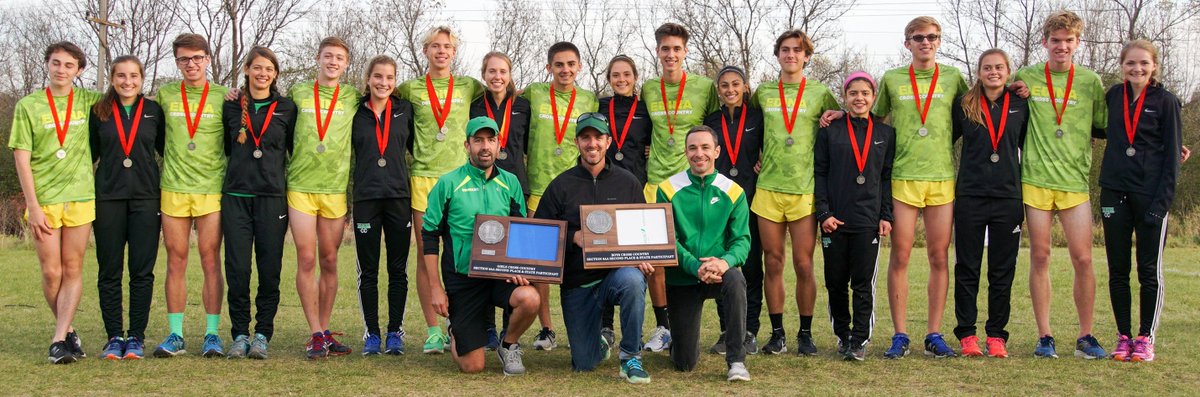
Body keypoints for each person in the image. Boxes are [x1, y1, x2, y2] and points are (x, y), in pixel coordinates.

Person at [868, 17, 968, 359]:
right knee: (901, 256)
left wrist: (1016, 90)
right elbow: (874, 118)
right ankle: (900, 335)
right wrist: (838, 117)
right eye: (918, 37)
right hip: (903, 178)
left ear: (939, 42)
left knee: (940, 257)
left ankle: (934, 333)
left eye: (932, 37)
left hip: (941, 178)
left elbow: (973, 113)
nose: (925, 42)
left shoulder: (954, 77)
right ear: (907, 42)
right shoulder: (892, 79)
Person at [1011, 10, 1108, 359]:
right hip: (1035, 179)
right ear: (1045, 42)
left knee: (1083, 258)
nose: (1062, 46)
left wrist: (1167, 145)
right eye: (1056, 40)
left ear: (1078, 43)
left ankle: (1085, 335)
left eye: (1069, 41)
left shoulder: (1090, 82)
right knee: (1040, 256)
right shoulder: (1026, 76)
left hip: (1074, 182)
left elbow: (1108, 127)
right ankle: (1045, 336)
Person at [535, 112, 654, 382]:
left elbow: (644, 230)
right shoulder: (561, 185)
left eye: (598, 137)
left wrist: (645, 255)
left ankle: (631, 357)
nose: (592, 144)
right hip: (578, 285)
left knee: (634, 280)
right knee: (584, 363)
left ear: (608, 141)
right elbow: (541, 235)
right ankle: (597, 344)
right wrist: (572, 237)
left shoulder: (628, 182)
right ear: (577, 142)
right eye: (586, 137)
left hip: (616, 276)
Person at [422, 116, 540, 375]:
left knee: (530, 299)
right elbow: (429, 236)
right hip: (463, 279)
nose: (485, 146)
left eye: (491, 140)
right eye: (478, 141)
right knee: (473, 366)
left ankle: (508, 345)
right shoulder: (448, 183)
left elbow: (520, 231)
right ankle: (457, 328)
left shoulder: (510, 182)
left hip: (501, 276)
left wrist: (520, 267)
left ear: (499, 145)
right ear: (467, 146)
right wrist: (435, 288)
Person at [11, 42, 102, 364]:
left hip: (80, 197)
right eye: (56, 63)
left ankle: (58, 338)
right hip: (45, 201)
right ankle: (69, 330)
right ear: (47, 65)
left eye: (68, 65)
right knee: (51, 273)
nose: (61, 70)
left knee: (73, 268)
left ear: (79, 70)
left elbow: (126, 94)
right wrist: (33, 206)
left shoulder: (90, 101)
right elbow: (21, 158)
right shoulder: (29, 106)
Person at [752, 30, 841, 356]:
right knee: (772, 262)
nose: (791, 55)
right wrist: (753, 156)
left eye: (797, 50)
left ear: (806, 56)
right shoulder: (762, 92)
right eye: (785, 50)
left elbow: (842, 120)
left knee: (804, 264)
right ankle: (777, 334)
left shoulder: (820, 93)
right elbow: (750, 129)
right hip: (769, 189)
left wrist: (842, 114)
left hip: (805, 189)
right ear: (777, 55)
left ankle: (805, 333)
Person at [397, 26, 485, 354]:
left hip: (461, 178)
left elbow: (501, 90)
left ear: (454, 52)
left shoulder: (468, 86)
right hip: (423, 178)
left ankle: (466, 321)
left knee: (466, 250)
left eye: (447, 46)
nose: (441, 51)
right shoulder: (409, 88)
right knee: (426, 256)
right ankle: (433, 330)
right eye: (435, 46)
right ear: (426, 51)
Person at [1101, 40, 1182, 363]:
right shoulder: (1112, 97)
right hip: (1113, 192)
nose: (1137, 69)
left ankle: (1146, 337)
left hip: (1150, 196)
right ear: (1122, 65)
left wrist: (1161, 204)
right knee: (1117, 270)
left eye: (1143, 63)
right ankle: (1123, 336)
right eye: (1130, 63)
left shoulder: (1166, 102)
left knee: (1148, 271)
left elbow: (1173, 156)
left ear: (1154, 66)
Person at [640, 22, 719, 353]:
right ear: (657, 51)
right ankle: (664, 326)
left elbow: (717, 130)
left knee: (694, 252)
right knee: (656, 261)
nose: (670, 54)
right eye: (664, 49)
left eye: (676, 49)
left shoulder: (704, 87)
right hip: (655, 184)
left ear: (686, 52)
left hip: (690, 184)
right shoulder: (647, 88)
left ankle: (723, 327)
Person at [154, 33, 231, 358]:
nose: (191, 64)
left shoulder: (224, 96)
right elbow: (157, 139)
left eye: (197, 58)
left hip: (211, 190)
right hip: (173, 187)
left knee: (211, 260)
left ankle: (212, 334)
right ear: (177, 62)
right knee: (176, 261)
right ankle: (175, 334)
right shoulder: (165, 95)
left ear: (208, 59)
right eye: (185, 59)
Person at [521, 41, 600, 350]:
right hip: (539, 189)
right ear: (548, 67)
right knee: (541, 261)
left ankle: (593, 326)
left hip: (576, 189)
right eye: (558, 65)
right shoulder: (534, 93)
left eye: (570, 64)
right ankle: (547, 328)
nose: (565, 70)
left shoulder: (589, 98)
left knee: (583, 256)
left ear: (579, 67)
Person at [220, 46, 297, 359]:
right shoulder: (230, 106)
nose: (263, 73)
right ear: (247, 70)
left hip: (271, 199)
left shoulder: (287, 108)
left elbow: (291, 148)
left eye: (269, 69)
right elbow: (226, 149)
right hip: (236, 197)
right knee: (237, 269)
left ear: (275, 74)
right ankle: (239, 333)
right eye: (257, 68)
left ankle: (263, 333)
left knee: (269, 270)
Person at [658, 125, 752, 381]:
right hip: (683, 276)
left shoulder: (733, 191)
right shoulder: (667, 189)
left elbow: (742, 241)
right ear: (686, 152)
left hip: (720, 272)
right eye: (692, 148)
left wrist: (724, 262)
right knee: (684, 364)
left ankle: (736, 361)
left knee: (736, 280)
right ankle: (678, 341)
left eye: (705, 147)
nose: (699, 153)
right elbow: (667, 239)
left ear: (717, 151)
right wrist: (693, 266)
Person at [950, 49, 1027, 358]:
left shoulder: (1021, 104)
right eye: (987, 67)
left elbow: (1039, 140)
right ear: (978, 72)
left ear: (1008, 71)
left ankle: (996, 335)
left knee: (1002, 270)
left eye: (999, 67)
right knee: (967, 267)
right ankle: (967, 334)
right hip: (970, 195)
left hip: (1008, 197)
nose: (993, 72)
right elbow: (943, 139)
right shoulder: (965, 105)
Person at [288, 36, 361, 359]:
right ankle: (314, 331)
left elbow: (386, 99)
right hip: (301, 186)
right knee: (306, 258)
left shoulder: (352, 97)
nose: (333, 62)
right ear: (317, 57)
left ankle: (325, 330)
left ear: (346, 64)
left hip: (334, 189)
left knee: (330, 260)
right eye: (328, 56)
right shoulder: (298, 92)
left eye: (339, 58)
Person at [814, 71, 895, 361]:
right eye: (853, 93)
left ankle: (860, 339)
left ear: (873, 97)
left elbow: (886, 177)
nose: (859, 98)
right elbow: (820, 173)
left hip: (868, 220)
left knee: (862, 282)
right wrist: (823, 212)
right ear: (845, 97)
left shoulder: (886, 134)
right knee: (835, 282)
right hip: (834, 220)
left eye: (865, 93)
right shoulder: (829, 131)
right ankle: (843, 335)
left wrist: (886, 215)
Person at [89, 55, 164, 361]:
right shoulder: (100, 112)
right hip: (108, 198)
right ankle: (113, 336)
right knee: (109, 270)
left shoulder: (154, 111)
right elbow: (90, 153)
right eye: (121, 76)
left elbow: (164, 150)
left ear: (142, 79)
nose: (127, 81)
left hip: (146, 198)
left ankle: (135, 336)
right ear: (112, 78)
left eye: (133, 76)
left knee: (141, 272)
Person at [352, 55, 415, 356]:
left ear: (395, 80)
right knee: (368, 270)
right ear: (368, 79)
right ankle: (372, 334)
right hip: (365, 199)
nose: (383, 83)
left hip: (399, 198)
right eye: (378, 77)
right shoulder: (355, 114)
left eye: (389, 78)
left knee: (398, 269)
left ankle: (394, 332)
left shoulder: (405, 111)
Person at [469, 51, 532, 350]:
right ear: (484, 74)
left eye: (502, 71)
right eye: (491, 71)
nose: (497, 76)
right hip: (482, 185)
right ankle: (487, 327)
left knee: (513, 258)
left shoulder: (523, 106)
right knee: (485, 255)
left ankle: (510, 325)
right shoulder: (474, 106)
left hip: (514, 186)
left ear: (509, 74)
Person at [702, 65, 764, 355]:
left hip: (750, 197)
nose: (730, 90)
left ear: (745, 86)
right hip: (720, 200)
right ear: (718, 89)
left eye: (735, 84)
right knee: (721, 262)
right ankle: (726, 329)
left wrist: (764, 160)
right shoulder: (711, 120)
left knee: (750, 265)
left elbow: (770, 145)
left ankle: (750, 330)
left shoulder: (756, 117)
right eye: (724, 85)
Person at [597, 54, 653, 349]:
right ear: (609, 79)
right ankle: (605, 326)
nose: (621, 80)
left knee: (638, 260)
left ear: (635, 77)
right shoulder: (600, 106)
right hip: (605, 187)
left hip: (636, 190)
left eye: (626, 75)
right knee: (604, 255)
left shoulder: (645, 110)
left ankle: (640, 330)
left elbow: (655, 142)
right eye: (615, 75)